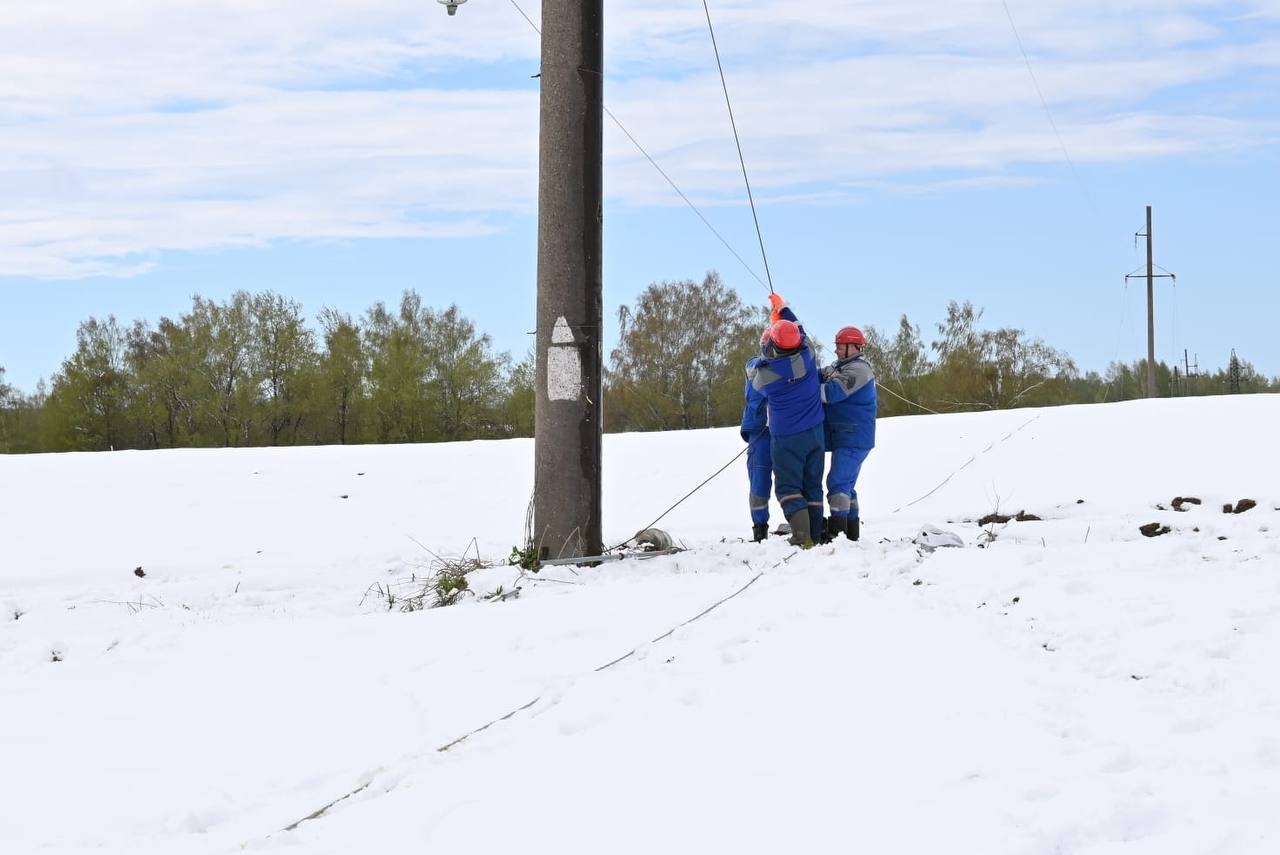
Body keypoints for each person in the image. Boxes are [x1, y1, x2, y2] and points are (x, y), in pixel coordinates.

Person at [746, 294, 825, 547]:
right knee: (812, 486)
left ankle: (803, 538)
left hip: (787, 438)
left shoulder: (767, 374)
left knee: (788, 488)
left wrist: (767, 344)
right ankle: (815, 534)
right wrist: (783, 310)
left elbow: (753, 372)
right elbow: (799, 331)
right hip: (815, 433)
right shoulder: (809, 355)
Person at [819, 326, 877, 541]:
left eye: (839, 346)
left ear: (853, 347)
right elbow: (821, 374)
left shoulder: (858, 370)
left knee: (837, 482)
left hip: (854, 436)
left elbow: (831, 393)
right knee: (847, 486)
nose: (835, 351)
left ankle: (838, 532)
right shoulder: (839, 366)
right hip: (846, 435)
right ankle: (852, 534)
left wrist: (801, 394)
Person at [740, 349, 772, 542]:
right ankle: (760, 529)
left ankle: (801, 526)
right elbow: (752, 368)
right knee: (759, 481)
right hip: (760, 431)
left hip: (785, 430)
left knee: (792, 481)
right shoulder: (755, 364)